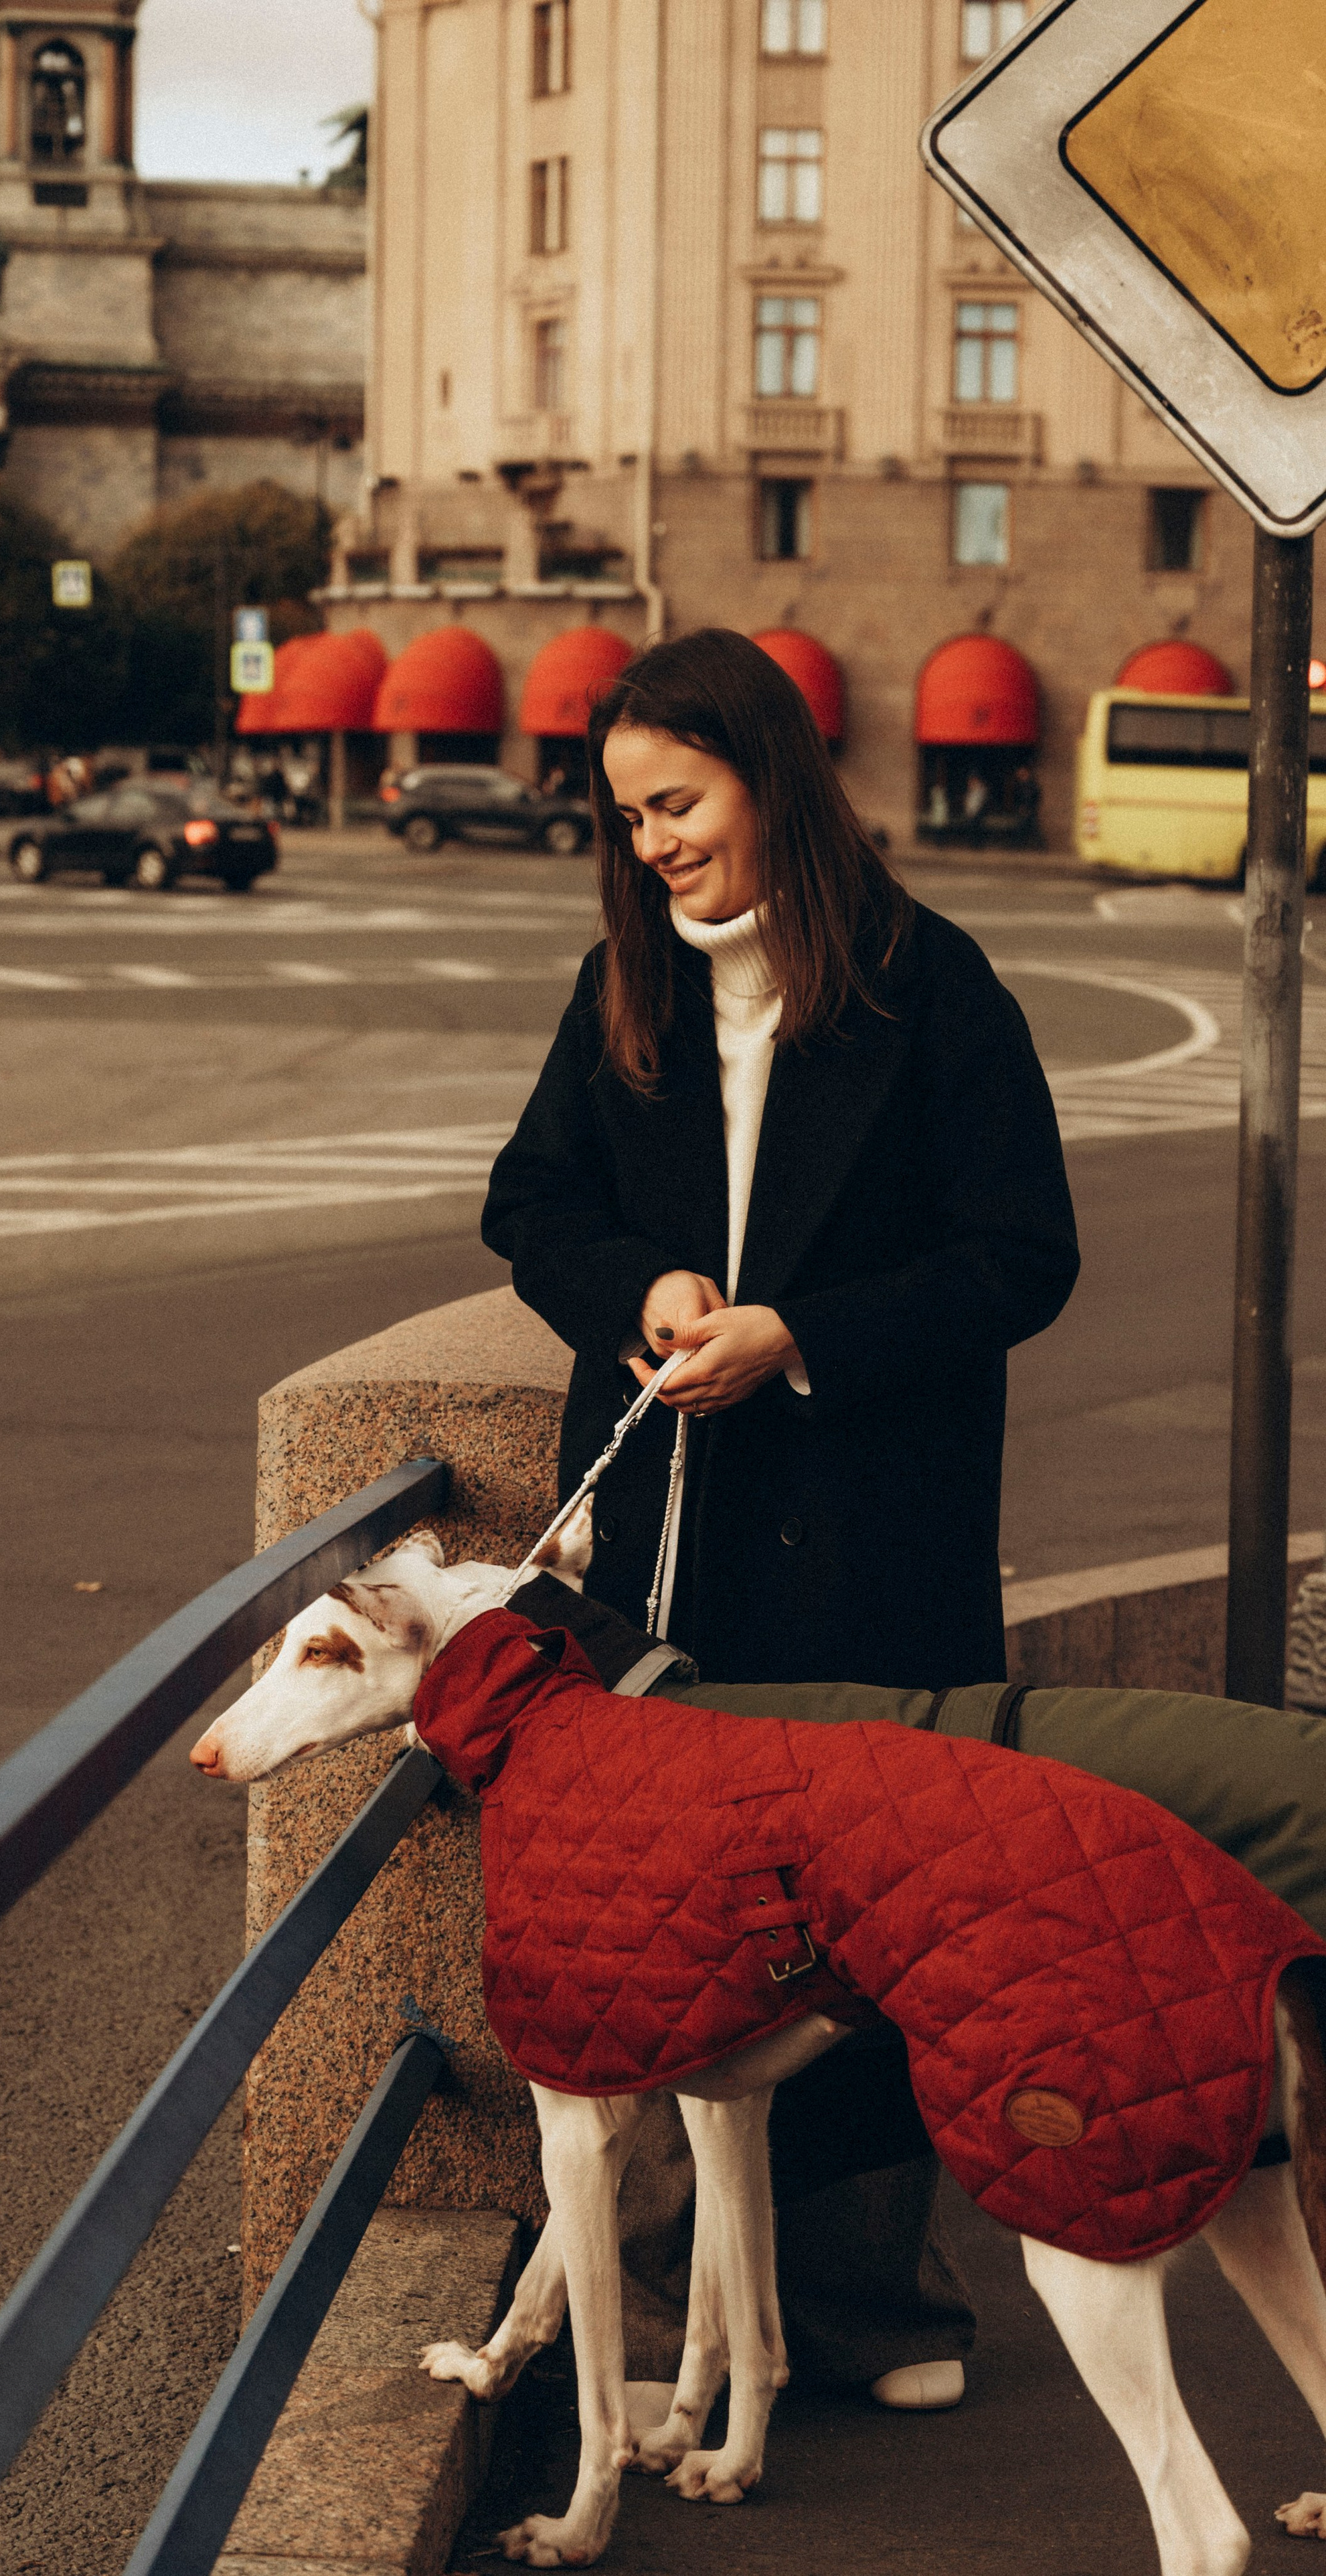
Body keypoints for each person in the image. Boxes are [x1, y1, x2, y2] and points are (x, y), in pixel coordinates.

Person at [481, 626, 1080, 2408]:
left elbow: (1022, 1257)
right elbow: (527, 1209)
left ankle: (878, 2304)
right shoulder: (623, 989)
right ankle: (659, 2313)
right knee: (680, 1924)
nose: (655, 842)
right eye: (631, 817)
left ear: (770, 777)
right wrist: (644, 1289)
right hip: (671, 1531)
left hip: (864, 1522)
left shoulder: (927, 983)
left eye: (680, 802)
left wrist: (803, 1338)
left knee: (871, 1916)